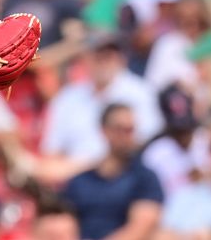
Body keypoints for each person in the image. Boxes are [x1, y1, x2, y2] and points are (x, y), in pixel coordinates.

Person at [40, 32, 163, 180]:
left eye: (110, 54)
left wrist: (82, 167)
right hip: (75, 183)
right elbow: (52, 152)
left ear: (121, 58)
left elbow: (142, 145)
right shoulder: (68, 97)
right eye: (99, 54)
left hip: (125, 178)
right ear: (86, 58)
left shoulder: (140, 93)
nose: (104, 60)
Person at [62, 103, 164, 240]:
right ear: (105, 131)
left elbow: (140, 229)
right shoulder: (80, 181)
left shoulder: (145, 178)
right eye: (121, 129)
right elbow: (63, 224)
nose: (128, 136)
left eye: (131, 130)